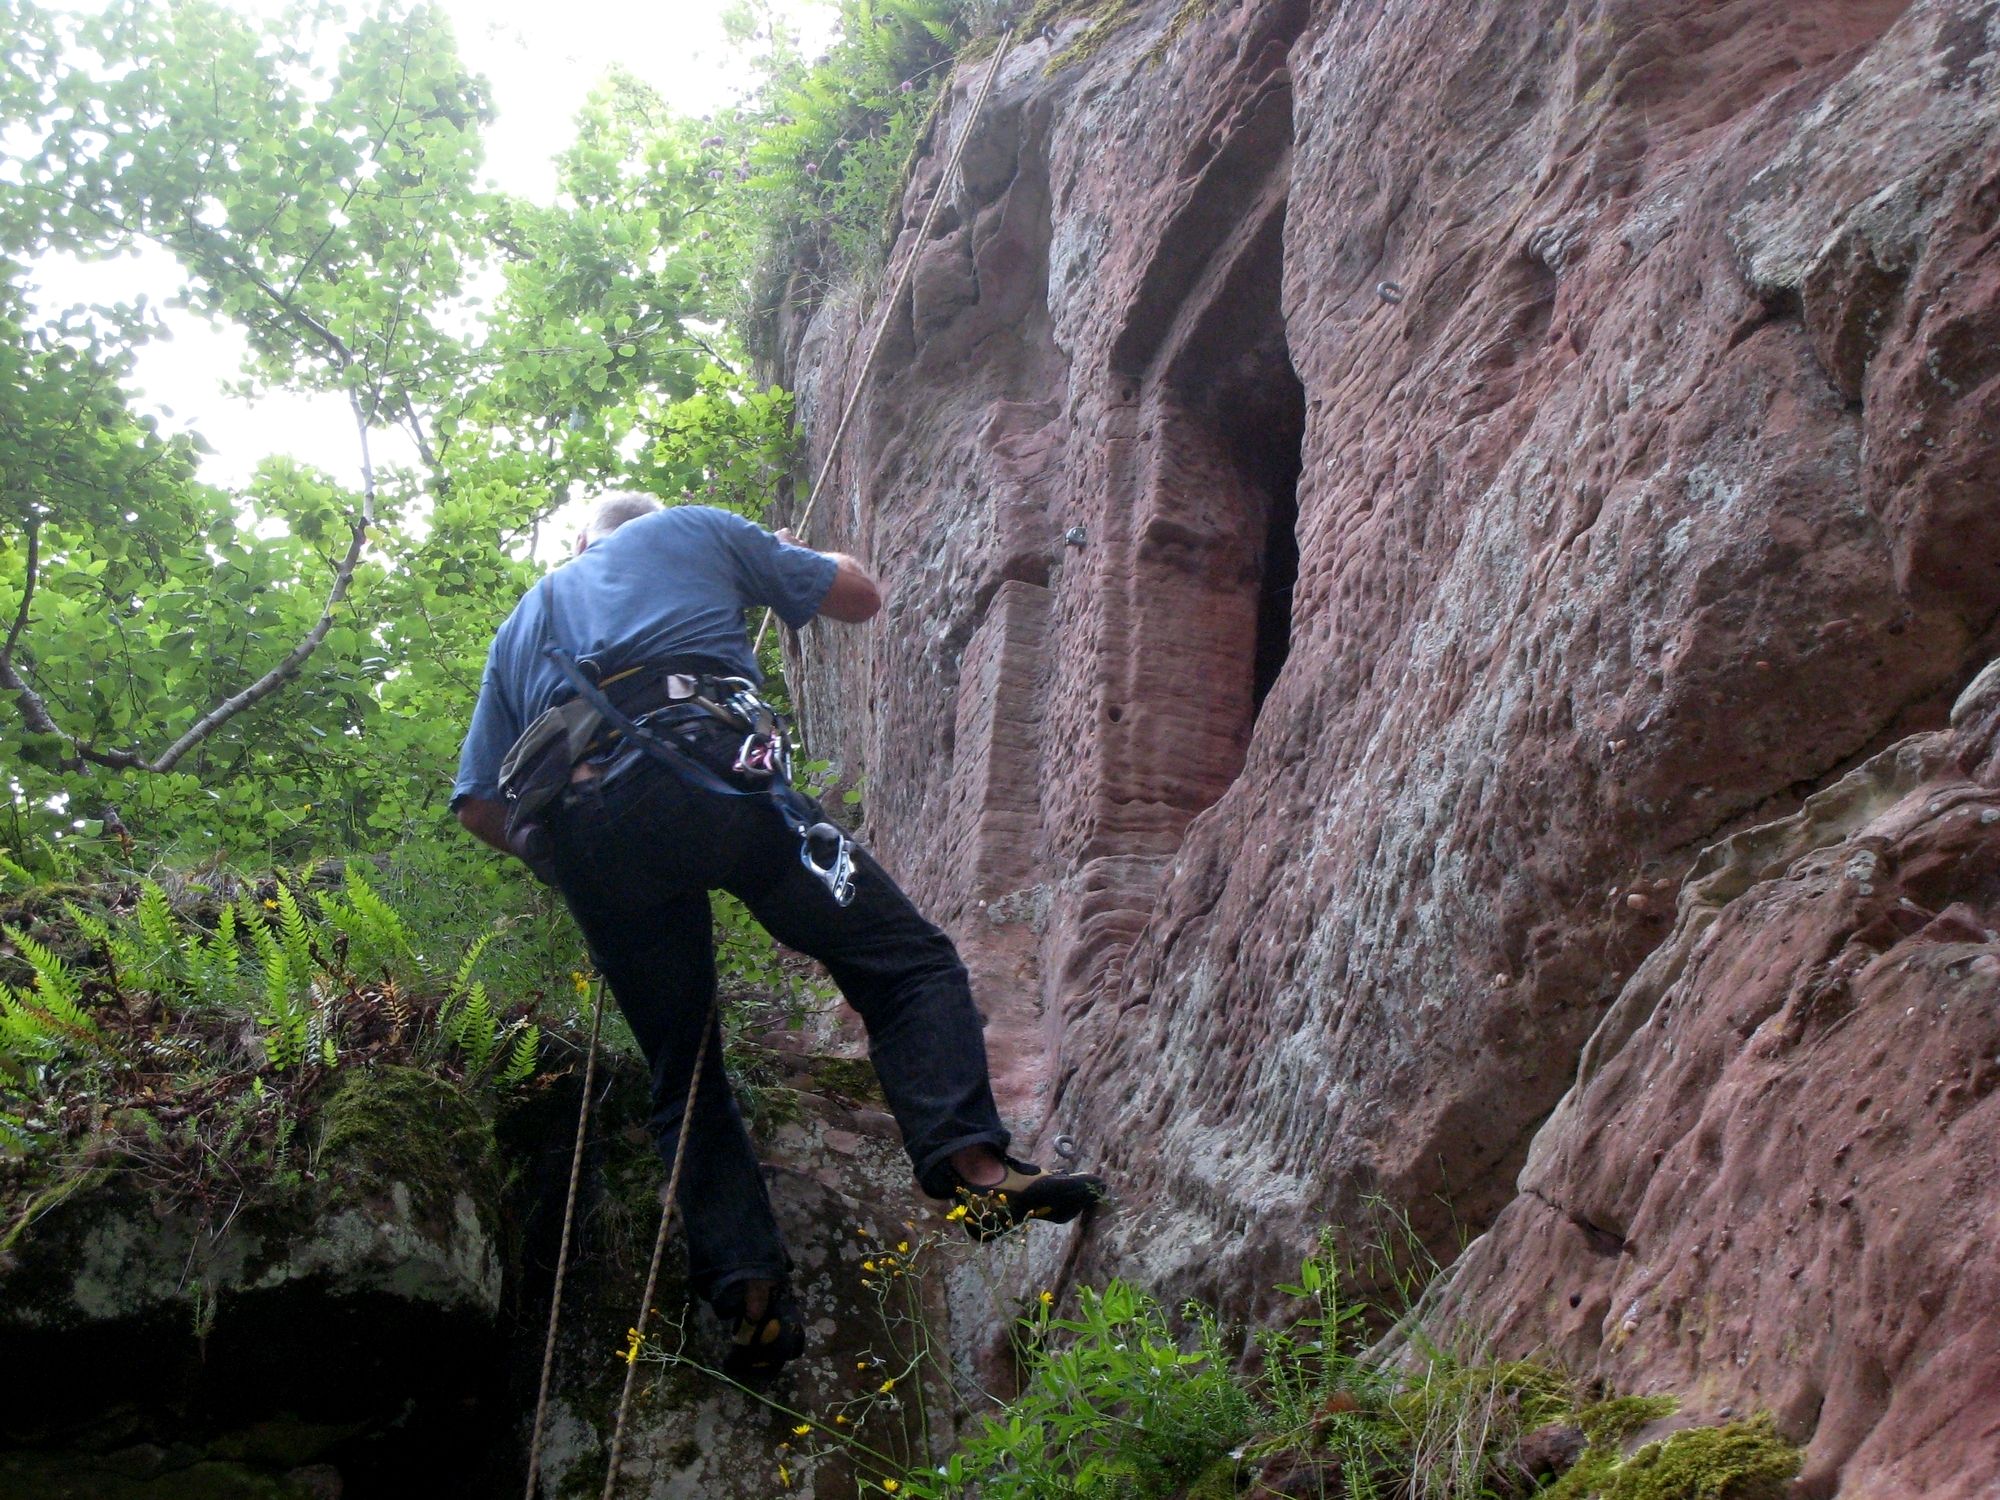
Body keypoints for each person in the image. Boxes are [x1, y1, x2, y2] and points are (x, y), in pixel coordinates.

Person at [451, 494, 1103, 1379]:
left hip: (589, 835)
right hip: (709, 780)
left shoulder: (520, 625)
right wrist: (781, 554)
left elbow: (483, 808)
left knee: (683, 1071)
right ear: (640, 524)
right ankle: (975, 1172)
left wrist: (586, 873)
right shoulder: (686, 529)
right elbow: (860, 595)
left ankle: (748, 1293)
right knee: (903, 963)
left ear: (577, 545)